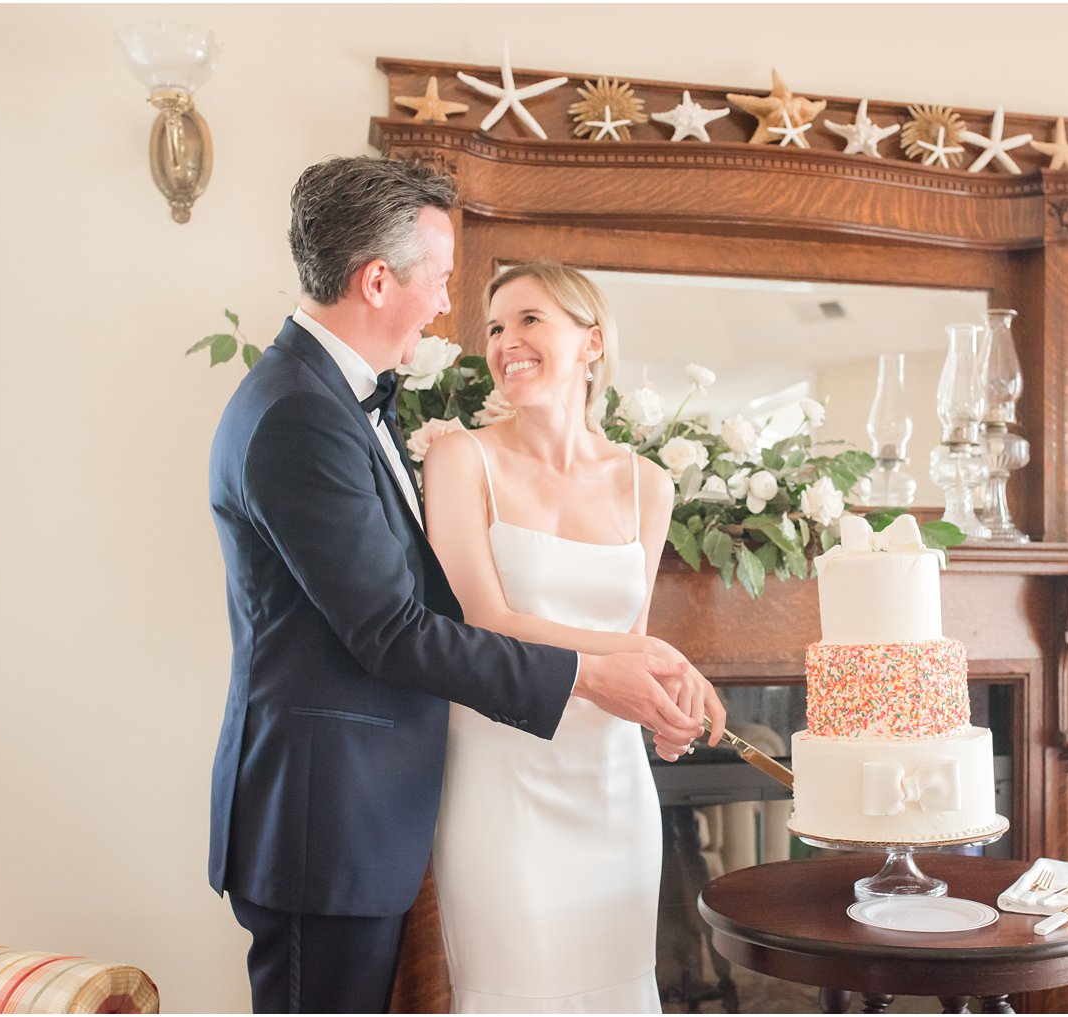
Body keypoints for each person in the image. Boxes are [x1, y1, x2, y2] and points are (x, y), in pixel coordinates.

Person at [206, 157, 714, 1014]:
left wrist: (651, 660)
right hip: (321, 820)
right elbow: (395, 630)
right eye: (442, 281)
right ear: (377, 280)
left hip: (358, 814)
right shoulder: (300, 411)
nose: (447, 306)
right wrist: (593, 674)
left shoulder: (335, 399)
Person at [419, 261, 726, 1013]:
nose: (505, 340)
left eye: (530, 319)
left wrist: (665, 703)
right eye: (494, 326)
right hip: (501, 780)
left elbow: (631, 636)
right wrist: (652, 658)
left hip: (612, 786)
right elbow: (485, 620)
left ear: (591, 342)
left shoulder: (648, 484)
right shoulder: (461, 458)